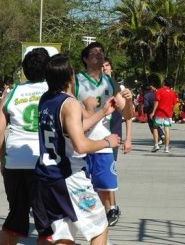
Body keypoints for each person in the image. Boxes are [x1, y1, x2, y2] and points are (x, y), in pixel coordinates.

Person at [35, 53, 121, 245]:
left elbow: (74, 128)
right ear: (70, 76)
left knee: (64, 235)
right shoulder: (70, 103)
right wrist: (107, 142)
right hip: (69, 176)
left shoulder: (46, 99)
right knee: (99, 227)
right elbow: (81, 145)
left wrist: (102, 112)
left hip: (47, 176)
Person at [0, 48, 53, 245]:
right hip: (43, 160)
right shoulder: (53, 91)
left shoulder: (13, 92)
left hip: (15, 161)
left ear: (25, 70)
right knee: (46, 224)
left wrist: (3, 160)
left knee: (15, 218)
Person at [75, 42, 133, 227]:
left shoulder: (110, 82)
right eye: (95, 52)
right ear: (85, 59)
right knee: (81, 190)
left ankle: (105, 219)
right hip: (80, 143)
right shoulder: (76, 81)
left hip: (104, 143)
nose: (100, 54)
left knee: (106, 189)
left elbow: (127, 114)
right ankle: (89, 222)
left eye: (102, 51)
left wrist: (129, 101)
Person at [101, 57, 133, 227]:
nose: (104, 68)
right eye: (102, 66)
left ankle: (112, 208)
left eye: (107, 65)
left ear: (111, 68)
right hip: (96, 137)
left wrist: (128, 139)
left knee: (109, 173)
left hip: (113, 136)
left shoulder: (118, 88)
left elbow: (128, 116)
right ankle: (104, 207)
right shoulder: (94, 87)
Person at [151, 76, 178, 154]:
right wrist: (172, 112)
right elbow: (175, 104)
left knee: (155, 127)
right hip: (168, 114)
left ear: (164, 83)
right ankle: (166, 147)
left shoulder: (159, 91)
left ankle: (156, 144)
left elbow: (157, 101)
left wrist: (153, 112)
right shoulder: (173, 93)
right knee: (167, 129)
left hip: (159, 113)